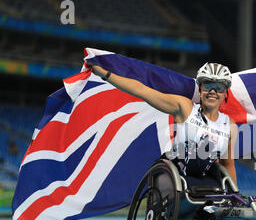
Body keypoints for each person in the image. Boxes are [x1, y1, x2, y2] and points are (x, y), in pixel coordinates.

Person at [87, 61, 238, 190]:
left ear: (225, 93)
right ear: (200, 89)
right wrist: (105, 74)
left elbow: (228, 164)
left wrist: (235, 195)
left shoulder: (229, 125)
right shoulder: (184, 107)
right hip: (177, 175)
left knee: (217, 185)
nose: (212, 91)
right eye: (208, 86)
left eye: (218, 87)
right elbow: (142, 90)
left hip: (205, 178)